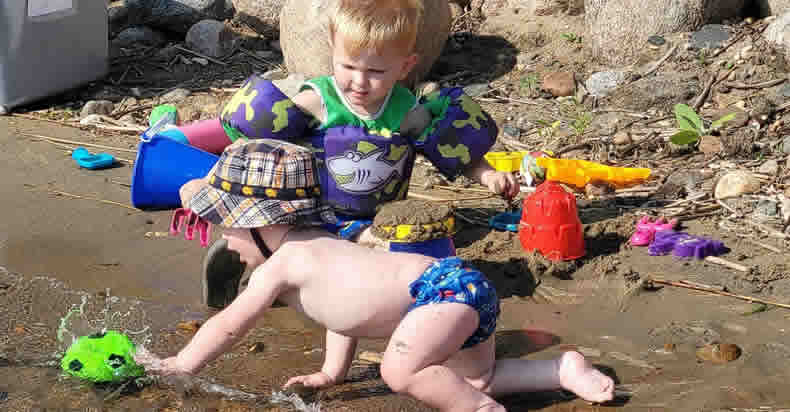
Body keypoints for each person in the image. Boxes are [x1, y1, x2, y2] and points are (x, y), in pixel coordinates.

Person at [141, 139, 615, 411]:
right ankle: (561, 370)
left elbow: (228, 325)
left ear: (262, 222)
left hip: (439, 295)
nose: (228, 244)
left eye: (228, 228)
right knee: (477, 378)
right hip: (460, 287)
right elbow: (340, 317)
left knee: (399, 370)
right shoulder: (322, 252)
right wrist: (332, 372)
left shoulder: (283, 265)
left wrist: (180, 365)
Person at [186, 0, 520, 309]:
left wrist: (487, 175)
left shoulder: (409, 113)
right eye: (348, 66)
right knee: (285, 243)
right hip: (308, 212)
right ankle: (244, 256)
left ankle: (296, 280)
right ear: (332, 51)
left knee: (398, 253)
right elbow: (252, 148)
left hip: (375, 217)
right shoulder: (316, 101)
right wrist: (210, 184)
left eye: (376, 72)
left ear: (406, 66)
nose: (360, 82)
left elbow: (452, 147)